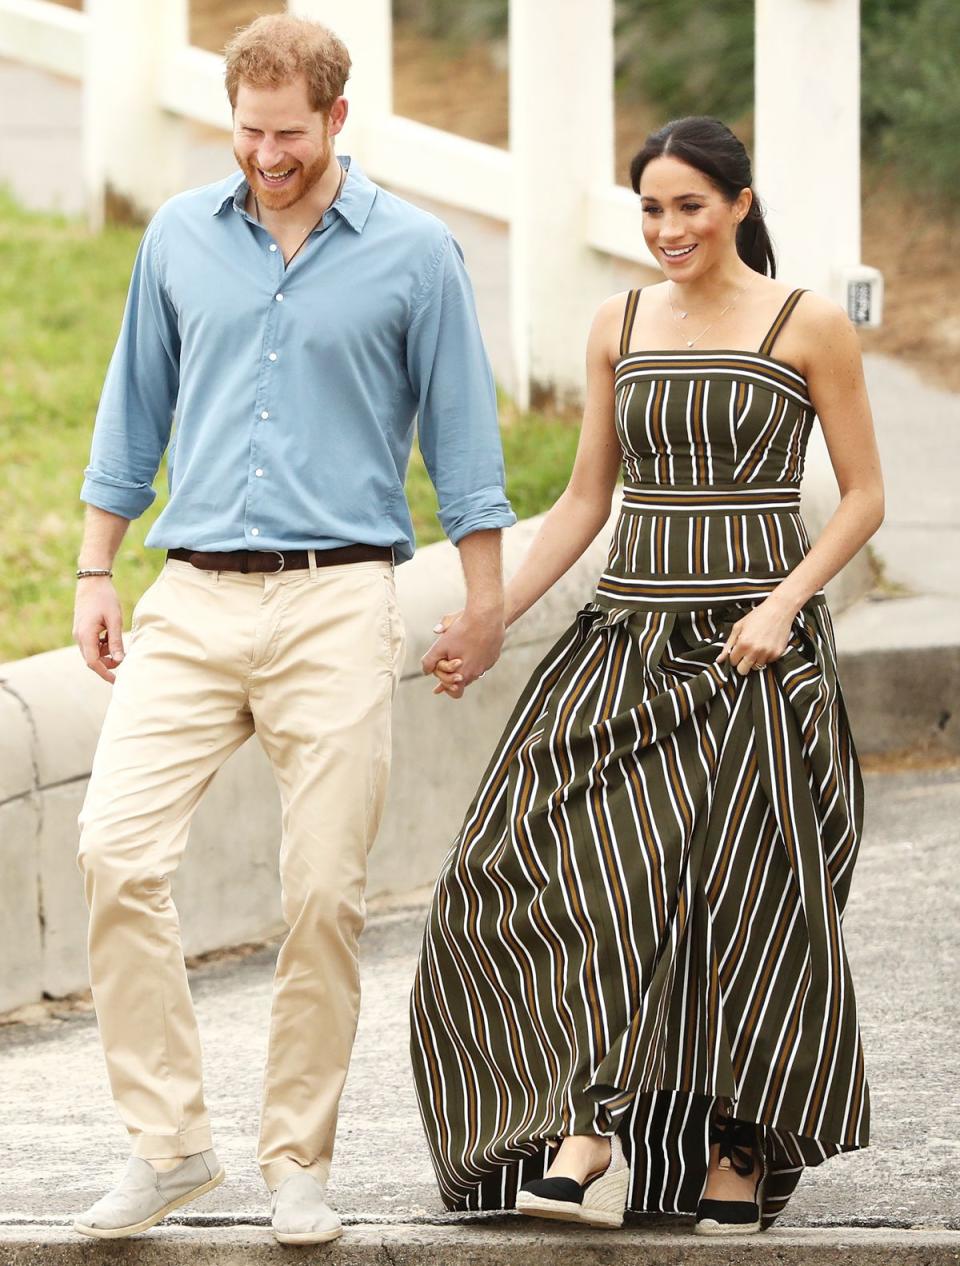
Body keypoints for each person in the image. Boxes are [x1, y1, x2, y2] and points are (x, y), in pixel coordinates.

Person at [70, 13, 514, 1245]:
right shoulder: (177, 237)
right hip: (194, 595)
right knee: (115, 850)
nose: (265, 154)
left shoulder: (418, 255)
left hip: (336, 597)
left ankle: (295, 1164)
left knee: (321, 893)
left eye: (287, 134)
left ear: (336, 119)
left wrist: (482, 604)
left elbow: (467, 450)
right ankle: (167, 1147)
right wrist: (94, 573)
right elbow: (129, 417)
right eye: (247, 131)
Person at [411, 115, 882, 1236]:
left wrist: (780, 606)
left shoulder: (806, 322)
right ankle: (581, 1124)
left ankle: (735, 1147)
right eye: (652, 209)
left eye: (689, 205)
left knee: (740, 906)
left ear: (740, 204)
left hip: (754, 660)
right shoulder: (617, 321)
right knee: (519, 873)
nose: (668, 229)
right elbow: (585, 499)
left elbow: (864, 494)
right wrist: (493, 619)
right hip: (623, 646)